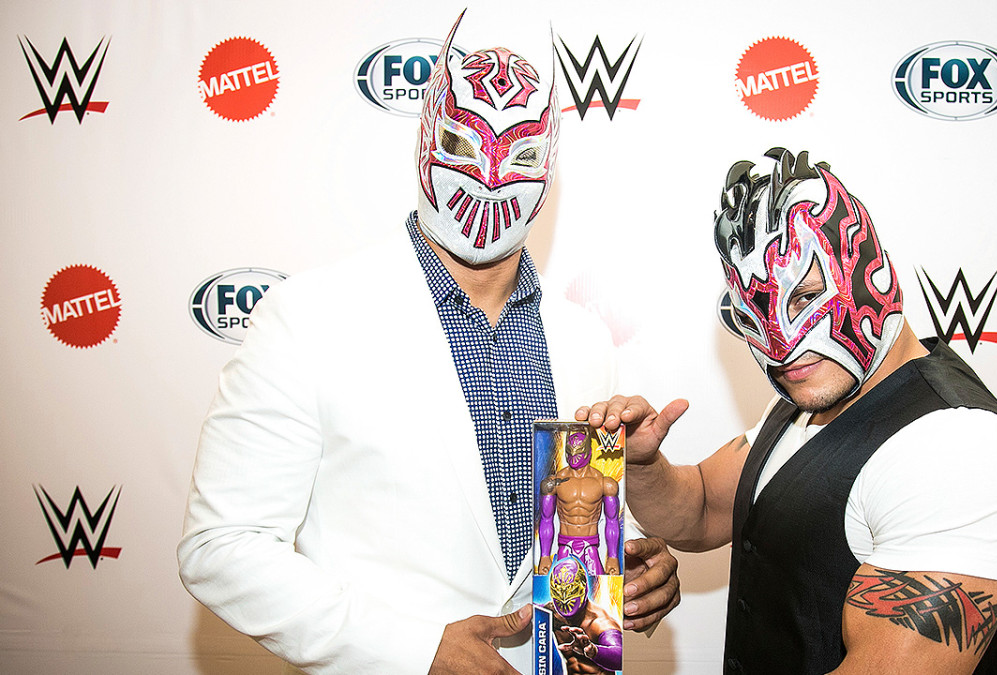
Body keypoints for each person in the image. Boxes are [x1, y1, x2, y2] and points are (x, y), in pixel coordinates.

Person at [178, 12, 679, 675]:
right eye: (463, 145)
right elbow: (221, 547)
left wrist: (632, 558)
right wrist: (415, 652)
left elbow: (571, 539)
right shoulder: (308, 317)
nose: (491, 178)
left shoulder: (583, 340)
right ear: (426, 139)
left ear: (550, 165)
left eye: (522, 156)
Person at [579, 148, 997, 674]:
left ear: (873, 272)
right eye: (751, 314)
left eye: (805, 297)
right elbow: (702, 509)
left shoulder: (957, 452)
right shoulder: (814, 393)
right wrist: (643, 462)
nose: (781, 345)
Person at [537, 430, 622, 576]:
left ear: (588, 452)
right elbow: (546, 519)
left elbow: (612, 521)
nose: (574, 457)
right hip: (565, 545)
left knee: (596, 589)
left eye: (579, 453)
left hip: (590, 546)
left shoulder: (605, 484)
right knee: (561, 587)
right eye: (570, 453)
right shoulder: (554, 483)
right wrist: (544, 556)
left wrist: (613, 557)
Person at [545, 555, 622, 674]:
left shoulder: (600, 623)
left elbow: (620, 656)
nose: (565, 602)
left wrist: (594, 651)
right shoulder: (551, 614)